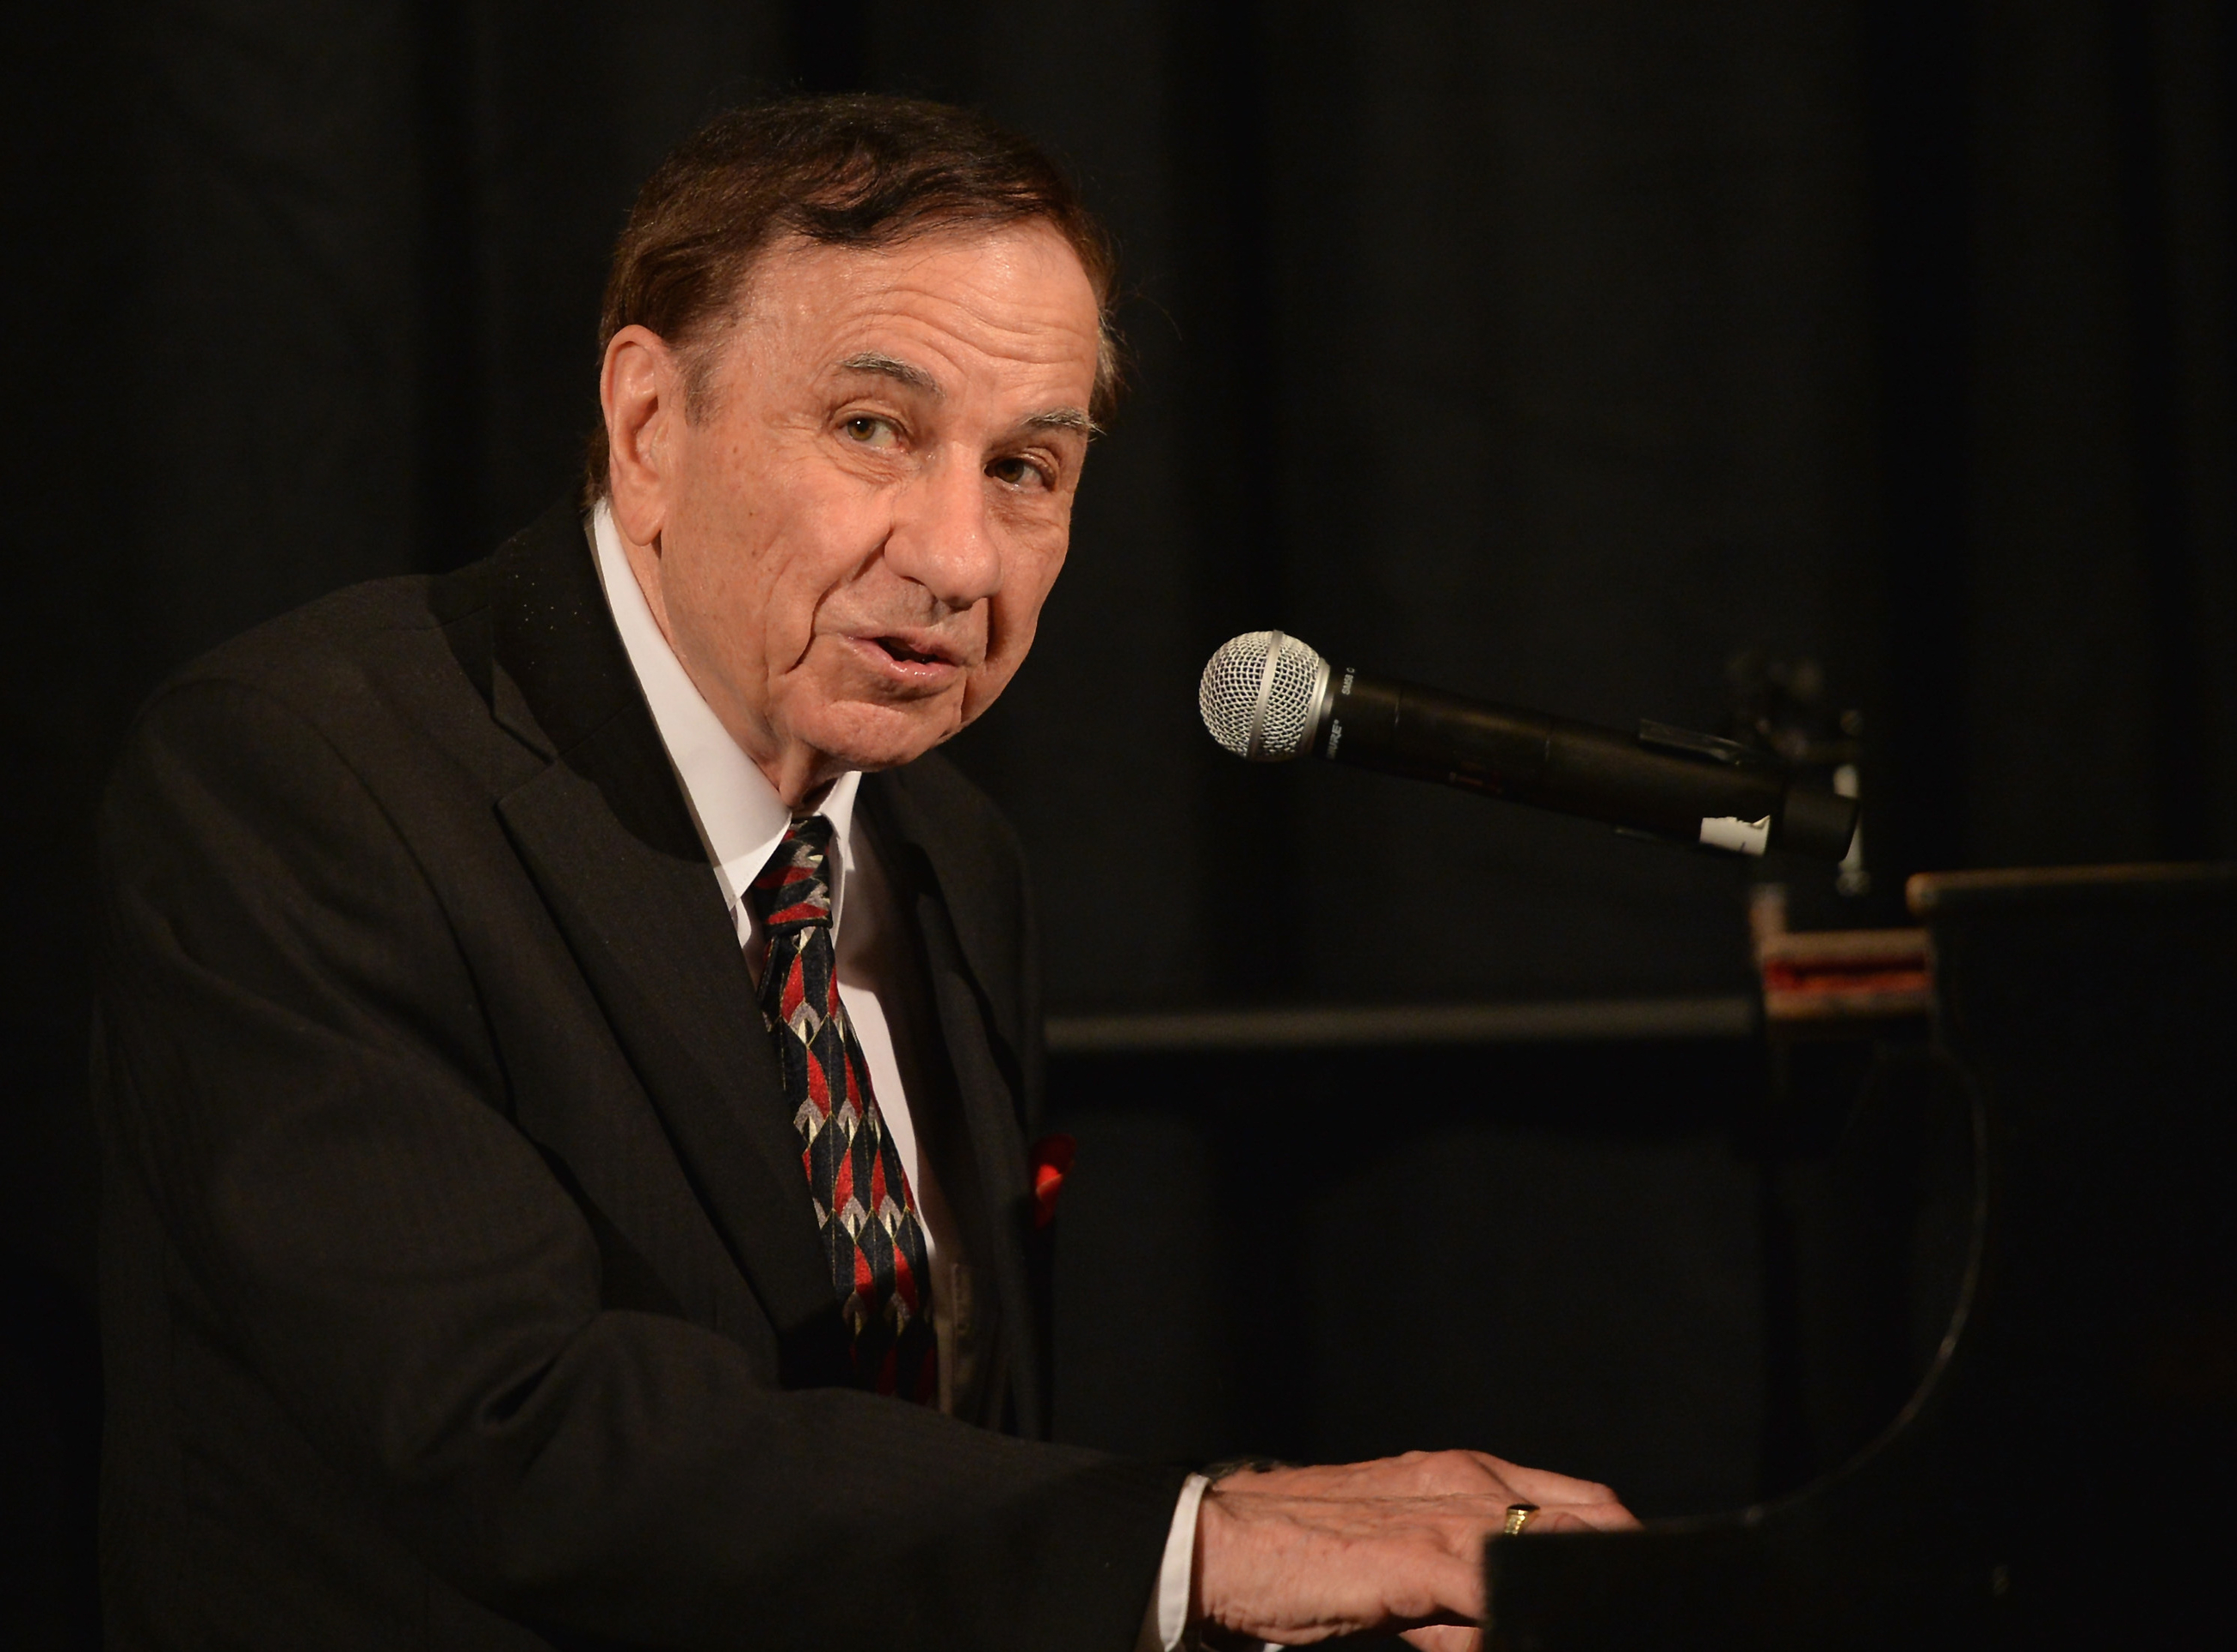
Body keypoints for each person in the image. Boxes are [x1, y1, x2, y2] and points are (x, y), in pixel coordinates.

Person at [92, 96, 1637, 1650]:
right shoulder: (307, 774)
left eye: (1028, 466)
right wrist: (1189, 1548)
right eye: (874, 429)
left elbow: (925, 1462)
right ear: (648, 426)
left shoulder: (951, 854)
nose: (961, 558)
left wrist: (1248, 1582)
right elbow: (510, 1428)